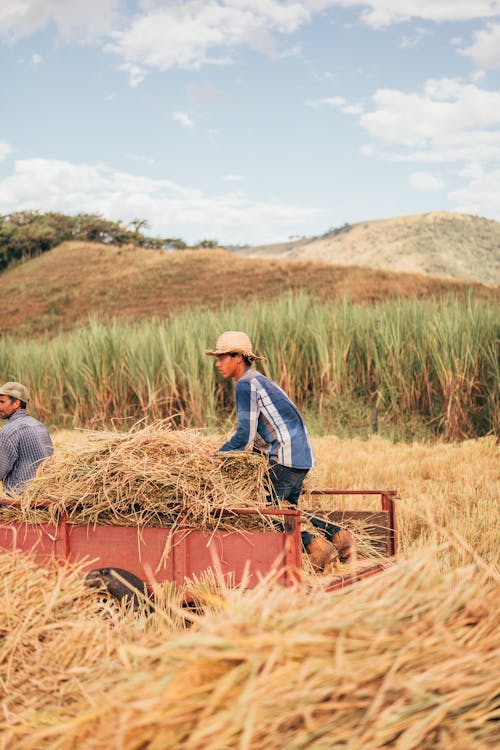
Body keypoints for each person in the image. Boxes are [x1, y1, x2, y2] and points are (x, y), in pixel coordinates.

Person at [205, 331, 354, 571]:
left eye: (222, 357)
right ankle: (339, 536)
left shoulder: (245, 385)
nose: (218, 363)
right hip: (302, 458)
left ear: (239, 358)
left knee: (258, 516)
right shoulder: (262, 381)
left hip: (283, 458)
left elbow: (244, 436)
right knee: (289, 512)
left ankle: (316, 546)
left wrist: (214, 457)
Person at [0, 381, 53, 496]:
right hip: (44, 496)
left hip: (19, 502)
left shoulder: (9, 431)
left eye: (2, 402)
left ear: (16, 403)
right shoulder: (40, 426)